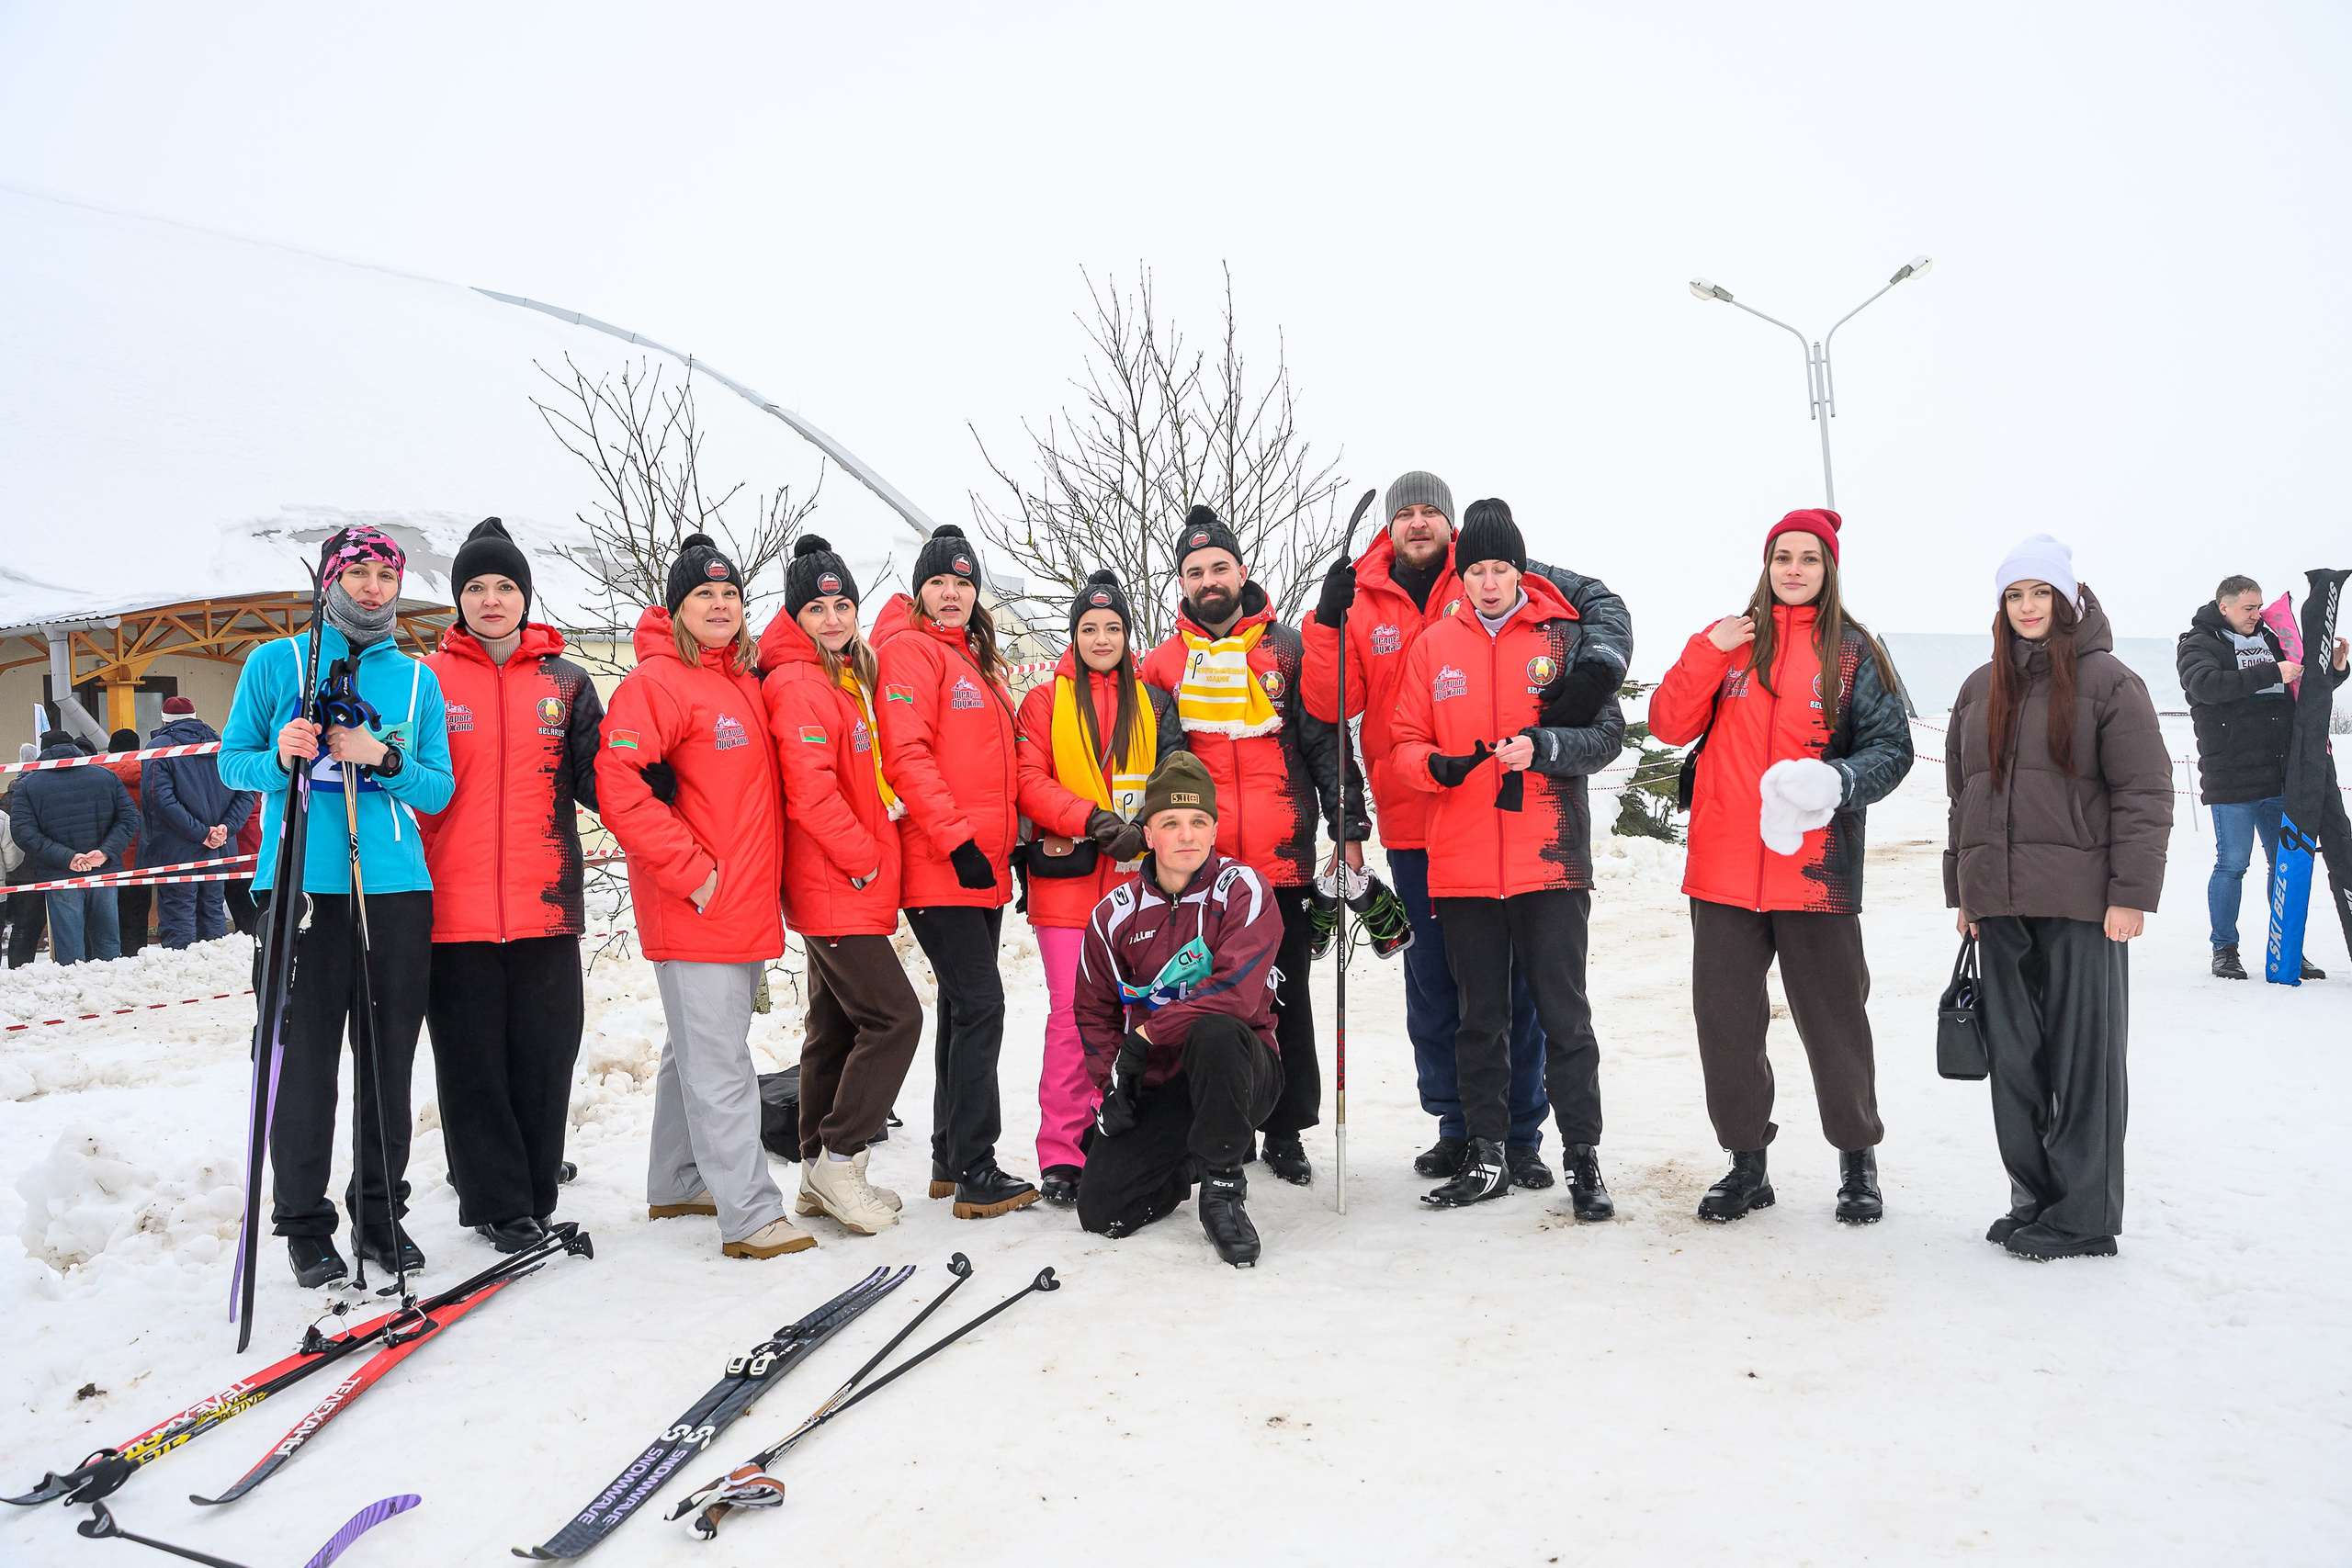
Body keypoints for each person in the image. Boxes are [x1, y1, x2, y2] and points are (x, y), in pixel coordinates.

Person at [1304, 470, 1634, 1190]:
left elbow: (1603, 605)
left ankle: (1521, 1134)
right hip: (1420, 821)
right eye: (1406, 513)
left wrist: (1591, 680)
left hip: (1518, 828)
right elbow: (1331, 702)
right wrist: (1326, 623)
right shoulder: (1357, 595)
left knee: (1522, 991)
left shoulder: (1498, 571)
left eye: (1431, 512)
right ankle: (1460, 1127)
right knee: (1439, 987)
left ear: (1452, 526)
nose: (1419, 523)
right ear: (1388, 527)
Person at [1647, 510, 1912, 1225]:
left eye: (1809, 559)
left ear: (1828, 571)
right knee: (1726, 1025)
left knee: (1834, 1022)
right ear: (1766, 565)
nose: (1794, 569)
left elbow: (1892, 752)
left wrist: (1839, 781)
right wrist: (1707, 650)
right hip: (1723, 870)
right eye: (1782, 557)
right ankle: (1746, 1163)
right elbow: (1667, 724)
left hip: (1815, 869)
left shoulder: (1855, 652)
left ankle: (1858, 1159)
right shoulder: (1730, 642)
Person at [217, 526, 454, 1288]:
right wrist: (281, 752)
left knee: (386, 1060)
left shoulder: (417, 680)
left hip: (392, 888)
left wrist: (380, 757)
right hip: (301, 889)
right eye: (359, 572)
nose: (374, 587)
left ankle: (381, 1213)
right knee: (306, 1061)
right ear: (330, 579)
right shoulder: (275, 661)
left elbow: (437, 788)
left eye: (387, 574)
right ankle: (305, 1224)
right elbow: (233, 761)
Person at [1386, 501, 1627, 1210]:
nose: (1490, 583)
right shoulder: (1432, 646)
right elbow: (1400, 742)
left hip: (1548, 860)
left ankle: (1582, 1157)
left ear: (1521, 570)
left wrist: (1546, 747)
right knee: (1478, 1018)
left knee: (1563, 1015)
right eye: (1477, 570)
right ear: (1461, 574)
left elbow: (1606, 735)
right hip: (1460, 865)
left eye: (1502, 569)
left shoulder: (1561, 639)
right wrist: (1433, 766)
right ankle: (1486, 1153)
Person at [1948, 535, 2172, 1261]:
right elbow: (1963, 796)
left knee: (2083, 1063)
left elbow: (2144, 793)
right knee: (2015, 1059)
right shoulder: (1981, 686)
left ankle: (2084, 1215)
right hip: (2001, 902)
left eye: (2041, 592)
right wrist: (1964, 890)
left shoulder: (2110, 682)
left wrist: (2131, 893)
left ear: (2068, 598)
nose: (2028, 607)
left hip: (2083, 903)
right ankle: (2035, 1198)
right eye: (2015, 595)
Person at [596, 532, 808, 1259]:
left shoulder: (740, 679)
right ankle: (750, 1215)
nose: (719, 606)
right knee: (720, 1064)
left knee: (694, 1050)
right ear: (676, 607)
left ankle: (678, 1177)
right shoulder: (656, 682)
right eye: (702, 595)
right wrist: (696, 873)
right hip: (696, 902)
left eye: (729, 594)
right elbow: (619, 787)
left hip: (741, 902)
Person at [1137, 504, 1363, 1187]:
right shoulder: (1162, 663)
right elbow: (1163, 761)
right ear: (1181, 582)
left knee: (1283, 997)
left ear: (1242, 571)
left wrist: (1345, 826)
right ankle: (1215, 1129)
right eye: (1194, 571)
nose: (1209, 580)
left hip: (1282, 857)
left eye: (1219, 567)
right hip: (1205, 871)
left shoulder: (1288, 649)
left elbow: (1323, 741)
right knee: (1208, 1002)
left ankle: (1287, 1129)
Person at [418, 519, 605, 1254]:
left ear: (525, 596)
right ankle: (495, 1201)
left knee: (544, 1053)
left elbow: (599, 780)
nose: (491, 600)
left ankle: (533, 1188)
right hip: (452, 909)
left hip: (544, 904)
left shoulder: (567, 681)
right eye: (475, 587)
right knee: (471, 1063)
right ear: (458, 598)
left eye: (504, 587)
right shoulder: (426, 680)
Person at [873, 524, 1038, 1220]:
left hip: (982, 866)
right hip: (942, 862)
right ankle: (976, 1167)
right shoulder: (912, 652)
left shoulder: (974, 658)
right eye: (940, 582)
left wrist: (1015, 844)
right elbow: (906, 753)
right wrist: (958, 840)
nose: (951, 594)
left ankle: (948, 1155)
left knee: (963, 1006)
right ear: (920, 590)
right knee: (983, 1004)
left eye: (963, 583)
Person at [759, 536, 922, 1235]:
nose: (832, 617)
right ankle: (842, 1158)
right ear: (795, 617)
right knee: (895, 1018)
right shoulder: (799, 682)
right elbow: (811, 792)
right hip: (835, 879)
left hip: (842, 877)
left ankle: (811, 1175)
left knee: (833, 1026)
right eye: (817, 607)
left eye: (842, 603)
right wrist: (863, 858)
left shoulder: (838, 674)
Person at [1074, 751, 1286, 1266]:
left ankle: (1221, 1191)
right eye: (1171, 822)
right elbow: (1094, 1012)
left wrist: (1145, 1037)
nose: (1186, 835)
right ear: (1148, 834)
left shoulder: (1243, 889)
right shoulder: (1113, 915)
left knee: (1214, 1030)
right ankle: (1188, 1158)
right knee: (1103, 1212)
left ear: (1214, 831)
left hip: (1243, 1070)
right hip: (1167, 1085)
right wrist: (1111, 1085)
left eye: (1199, 822)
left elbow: (1235, 994)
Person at [1014, 570, 1183, 1207]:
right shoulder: (1042, 700)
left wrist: (1143, 826)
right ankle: (1061, 1149)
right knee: (1071, 1020)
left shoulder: (1155, 701)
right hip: (1067, 887)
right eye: (1090, 627)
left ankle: (1121, 1137)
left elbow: (1174, 770)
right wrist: (1091, 819)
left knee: (1140, 1014)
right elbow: (1029, 780)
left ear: (1127, 634)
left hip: (1135, 882)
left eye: (1113, 627)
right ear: (1075, 635)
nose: (1102, 637)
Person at [2176, 574, 2349, 979]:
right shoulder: (2199, 644)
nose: (2256, 615)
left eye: (2259, 607)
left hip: (2277, 775)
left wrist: (2336, 671)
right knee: (2233, 864)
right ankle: (2225, 950)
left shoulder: (2271, 639)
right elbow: (2205, 685)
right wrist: (2272, 673)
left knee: (2284, 865)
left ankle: (2287, 947)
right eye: (2248, 608)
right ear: (2224, 607)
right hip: (2230, 777)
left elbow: (2302, 689)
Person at [9, 729, 132, 964]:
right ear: (74, 748)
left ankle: (75, 993)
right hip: (104, 871)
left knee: (69, 948)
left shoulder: (29, 785)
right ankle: (111, 989)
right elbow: (129, 818)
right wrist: (105, 852)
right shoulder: (105, 775)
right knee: (108, 942)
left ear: (44, 752)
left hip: (60, 874)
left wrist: (67, 857)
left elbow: (23, 832)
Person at [143, 694, 254, 949]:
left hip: (176, 851)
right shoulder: (223, 744)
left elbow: (159, 799)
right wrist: (225, 828)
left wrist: (200, 833)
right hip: (219, 849)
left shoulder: (159, 747)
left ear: (164, 719)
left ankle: (183, 974)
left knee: (178, 913)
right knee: (212, 910)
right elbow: (245, 791)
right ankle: (212, 972)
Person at [104, 728, 152, 957]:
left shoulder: (100, 776)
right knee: (138, 913)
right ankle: (137, 956)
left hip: (109, 858)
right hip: (143, 857)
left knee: (109, 915)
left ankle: (112, 959)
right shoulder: (150, 774)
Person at [4, 742, 44, 966]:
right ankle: (19, 970)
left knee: (21, 926)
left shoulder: (9, 797)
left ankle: (16, 971)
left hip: (15, 874)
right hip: (32, 872)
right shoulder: (36, 793)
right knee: (27, 926)